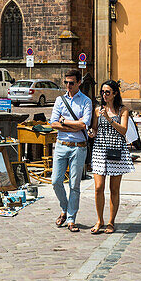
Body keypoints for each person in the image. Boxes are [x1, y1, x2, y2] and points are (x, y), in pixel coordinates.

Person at [88, 80, 135, 234]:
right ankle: (99, 220)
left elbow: (123, 130)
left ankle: (111, 221)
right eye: (102, 92)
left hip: (116, 151)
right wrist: (91, 133)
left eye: (107, 92)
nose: (104, 95)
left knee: (114, 189)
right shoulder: (97, 110)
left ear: (115, 93)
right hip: (100, 150)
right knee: (98, 187)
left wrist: (109, 119)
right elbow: (95, 128)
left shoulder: (123, 110)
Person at [50, 68, 93, 233]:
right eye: (66, 82)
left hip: (78, 148)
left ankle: (71, 219)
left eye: (71, 83)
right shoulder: (60, 100)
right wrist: (72, 125)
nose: (68, 85)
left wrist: (64, 121)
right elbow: (53, 123)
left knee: (74, 185)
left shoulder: (86, 101)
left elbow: (84, 124)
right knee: (55, 181)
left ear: (79, 83)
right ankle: (65, 208)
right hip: (61, 145)